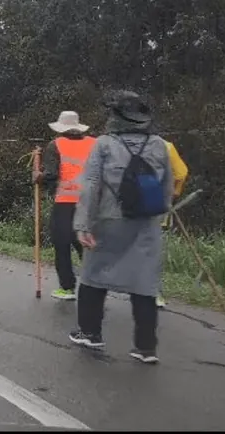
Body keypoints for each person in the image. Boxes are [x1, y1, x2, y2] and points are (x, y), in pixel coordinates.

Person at [71, 90, 173, 364]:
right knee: (144, 283)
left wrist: (82, 224)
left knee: (93, 276)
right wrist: (158, 214)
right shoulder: (159, 145)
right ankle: (146, 347)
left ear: (116, 118)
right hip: (147, 224)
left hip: (108, 221)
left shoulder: (104, 144)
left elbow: (90, 186)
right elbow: (167, 188)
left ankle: (90, 333)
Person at [34, 111, 96, 301]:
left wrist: (38, 176)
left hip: (65, 201)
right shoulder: (95, 143)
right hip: (91, 201)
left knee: (62, 243)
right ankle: (94, 285)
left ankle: (67, 287)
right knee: (85, 242)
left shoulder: (56, 145)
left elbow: (52, 174)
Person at [156, 139, 189, 308]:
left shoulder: (121, 142)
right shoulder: (166, 146)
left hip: (128, 209)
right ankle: (156, 294)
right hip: (159, 207)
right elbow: (181, 173)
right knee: (155, 252)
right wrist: (174, 193)